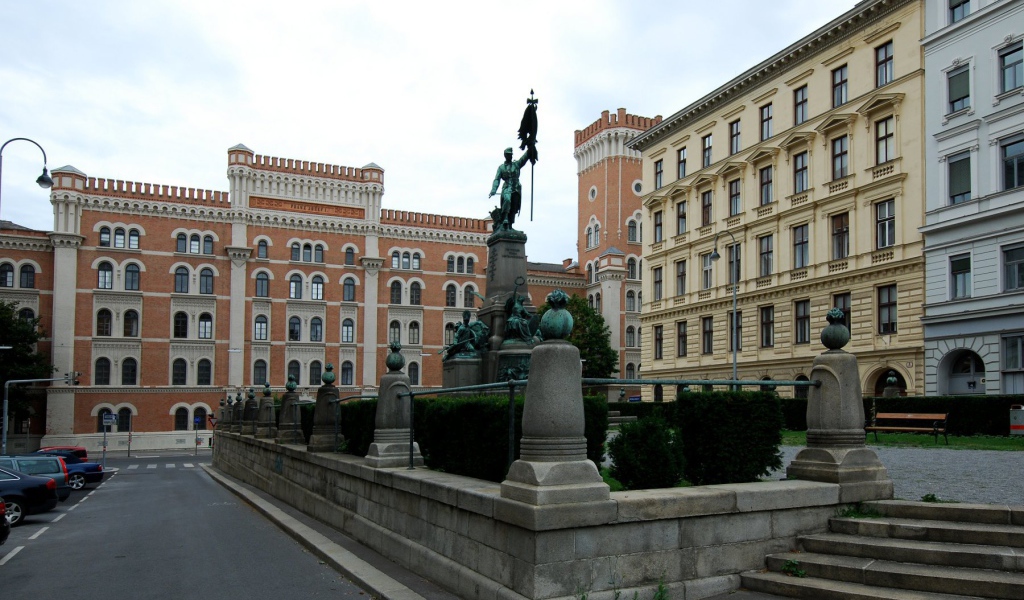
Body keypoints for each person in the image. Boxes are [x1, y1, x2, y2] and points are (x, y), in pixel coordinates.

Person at [489, 148, 530, 230]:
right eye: (508, 154)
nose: (510, 156)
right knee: (507, 200)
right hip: (507, 187)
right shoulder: (501, 168)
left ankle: (510, 225)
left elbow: (524, 158)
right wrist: (493, 190)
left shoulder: (516, 164)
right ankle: (505, 219)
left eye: (511, 154)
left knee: (514, 206)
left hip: (516, 188)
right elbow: (497, 179)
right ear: (505, 155)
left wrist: (530, 148)